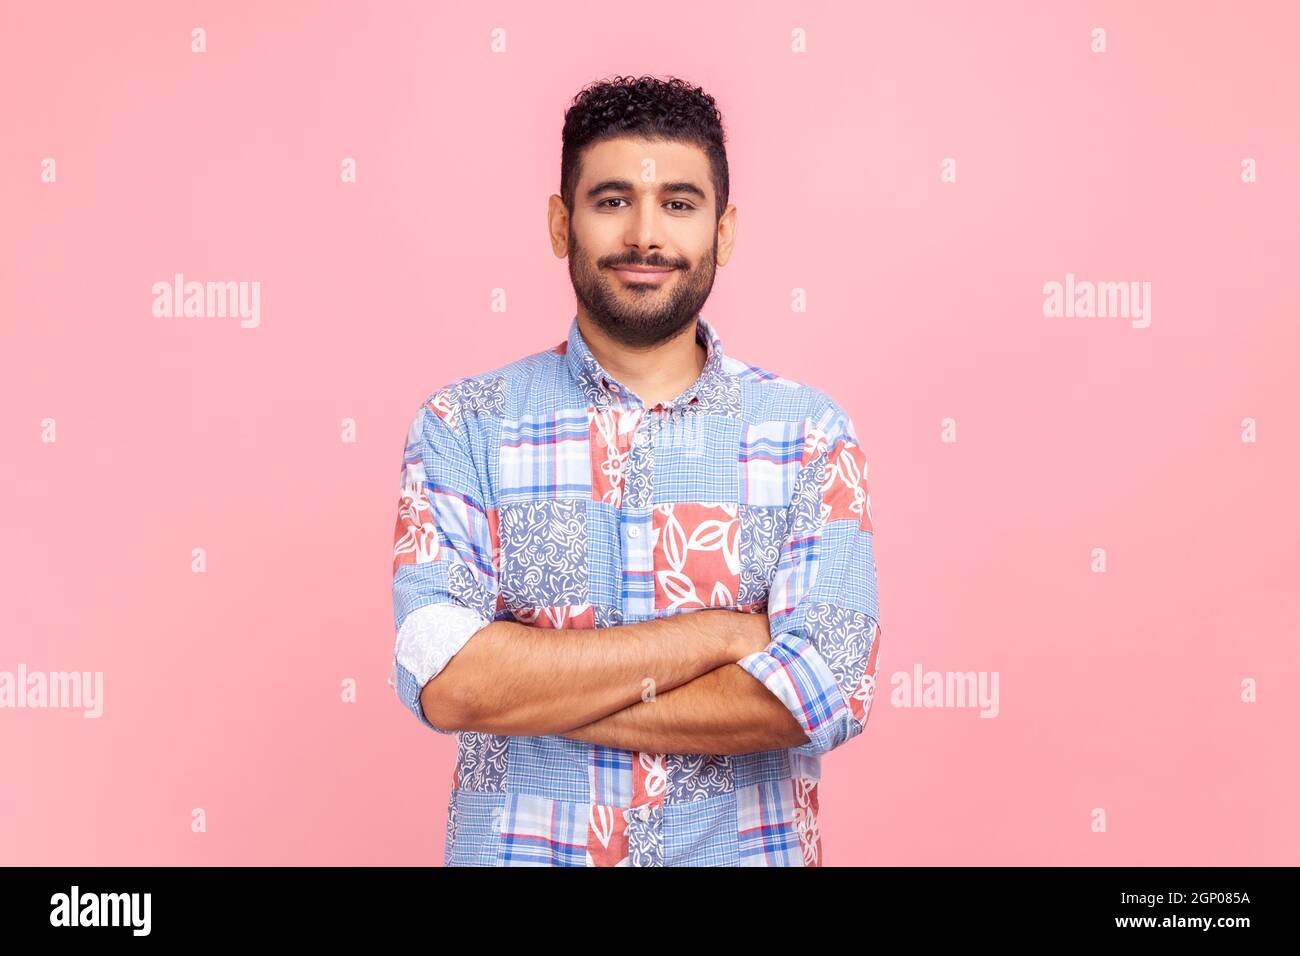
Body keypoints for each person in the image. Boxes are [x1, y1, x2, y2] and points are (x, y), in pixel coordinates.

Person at [391, 75, 882, 866]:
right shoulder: (462, 425)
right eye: (613, 200)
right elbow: (447, 681)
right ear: (562, 223)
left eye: (679, 204)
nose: (645, 235)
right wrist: (721, 636)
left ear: (722, 232)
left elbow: (822, 693)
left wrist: (526, 691)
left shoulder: (810, 436)